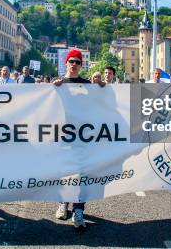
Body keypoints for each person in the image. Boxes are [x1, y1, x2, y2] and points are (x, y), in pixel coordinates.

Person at [53, 49, 105, 229]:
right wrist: (53, 88)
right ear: (66, 63)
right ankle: (63, 203)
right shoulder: (58, 83)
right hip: (64, 135)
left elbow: (103, 98)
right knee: (66, 173)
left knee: (82, 174)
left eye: (77, 62)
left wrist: (101, 85)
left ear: (81, 65)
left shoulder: (86, 84)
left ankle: (78, 210)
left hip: (83, 136)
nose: (74, 64)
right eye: (71, 61)